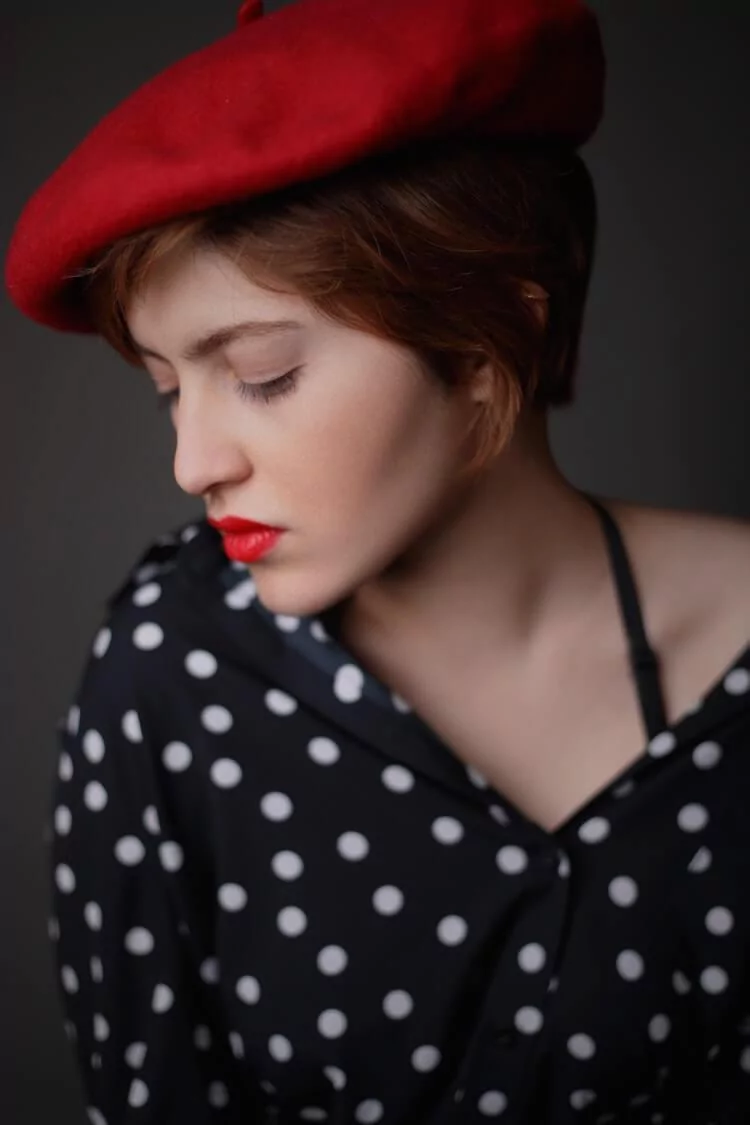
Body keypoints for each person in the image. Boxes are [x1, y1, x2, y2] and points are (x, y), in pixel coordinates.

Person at [6, 0, 750, 1122]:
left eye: (259, 372)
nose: (193, 460)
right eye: (167, 387)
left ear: (492, 334)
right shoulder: (172, 668)